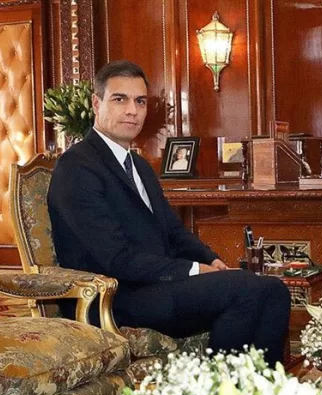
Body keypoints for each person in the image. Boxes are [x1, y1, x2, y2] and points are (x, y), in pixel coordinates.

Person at [48, 60, 291, 366]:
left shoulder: (139, 166)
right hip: (114, 297)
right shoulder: (77, 167)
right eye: (120, 99)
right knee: (245, 291)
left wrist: (211, 259)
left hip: (156, 287)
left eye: (140, 101)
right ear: (97, 104)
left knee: (273, 290)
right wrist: (194, 270)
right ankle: (225, 391)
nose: (132, 111)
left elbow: (173, 231)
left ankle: (260, 389)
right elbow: (115, 258)